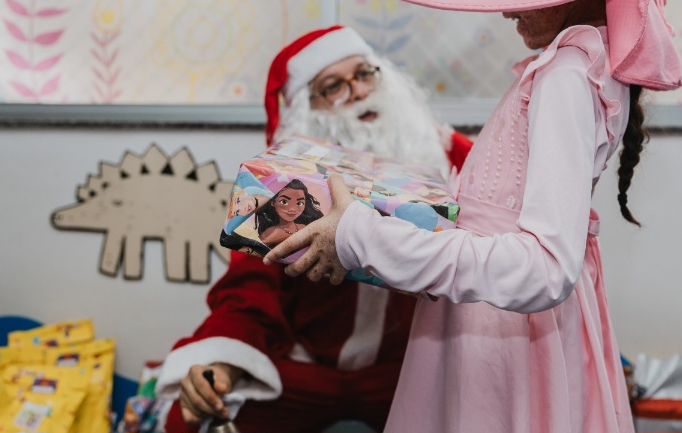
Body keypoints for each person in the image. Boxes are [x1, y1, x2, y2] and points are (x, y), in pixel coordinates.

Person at [265, 0, 682, 433]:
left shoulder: (566, 75)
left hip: (503, 331)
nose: (505, 8)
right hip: (499, 324)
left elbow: (542, 267)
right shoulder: (579, 64)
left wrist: (363, 236)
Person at [155, 25, 474, 433]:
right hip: (308, 366)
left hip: (410, 364)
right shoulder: (278, 185)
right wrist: (221, 363)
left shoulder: (450, 157)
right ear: (308, 110)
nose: (358, 92)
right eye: (333, 86)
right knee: (188, 418)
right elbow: (251, 290)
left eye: (364, 74)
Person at [253, 179, 324, 247]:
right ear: (273, 202)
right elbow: (253, 248)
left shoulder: (304, 227)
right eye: (284, 202)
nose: (292, 209)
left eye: (299, 203)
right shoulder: (271, 232)